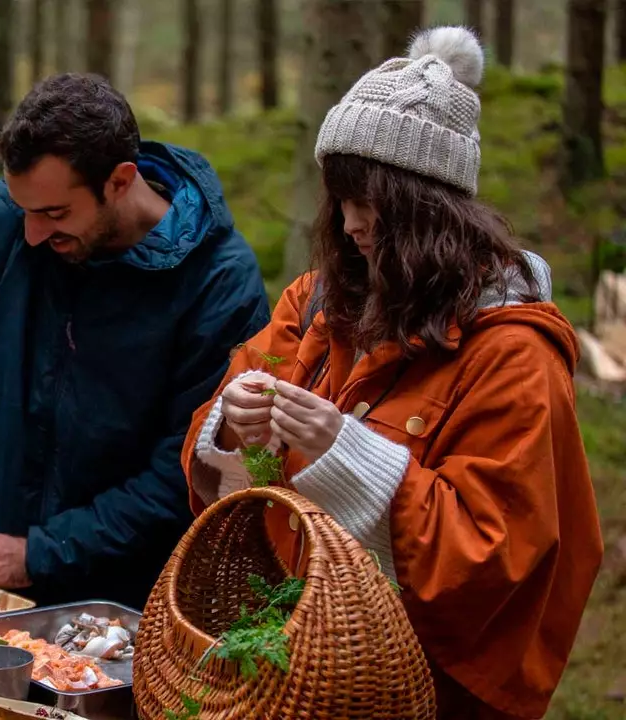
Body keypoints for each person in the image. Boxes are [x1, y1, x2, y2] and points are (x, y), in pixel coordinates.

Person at [184, 27, 602, 719]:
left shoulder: (514, 353)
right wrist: (232, 421)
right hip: (306, 661)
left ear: (425, 207)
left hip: (429, 690)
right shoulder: (317, 300)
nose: (349, 225)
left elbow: (492, 556)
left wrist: (341, 449)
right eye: (338, 199)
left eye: (366, 201)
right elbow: (213, 440)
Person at [0, 73, 269, 609]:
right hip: (4, 566)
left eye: (56, 214)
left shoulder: (218, 283)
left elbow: (188, 468)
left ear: (119, 180)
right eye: (26, 211)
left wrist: (42, 552)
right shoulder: (6, 220)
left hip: (141, 595)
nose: (34, 233)